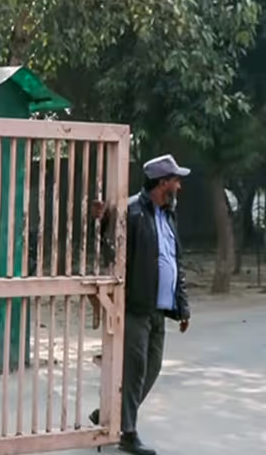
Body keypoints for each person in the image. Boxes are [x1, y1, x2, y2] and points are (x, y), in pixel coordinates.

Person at [90, 154, 192, 455]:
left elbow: (176, 261)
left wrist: (182, 305)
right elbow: (110, 248)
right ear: (162, 183)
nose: (179, 186)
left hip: (161, 308)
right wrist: (104, 217)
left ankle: (109, 414)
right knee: (134, 371)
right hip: (136, 306)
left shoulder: (168, 214)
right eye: (175, 180)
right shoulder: (132, 212)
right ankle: (128, 433)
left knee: (153, 367)